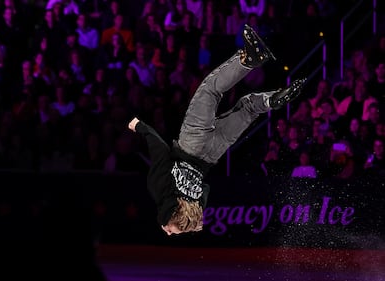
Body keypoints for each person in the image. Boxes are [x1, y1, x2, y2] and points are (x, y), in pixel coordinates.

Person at [128, 24, 306, 235]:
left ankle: (272, 100)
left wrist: (185, 223)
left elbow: (205, 189)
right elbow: (160, 152)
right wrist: (141, 127)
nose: (167, 231)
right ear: (167, 214)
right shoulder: (159, 191)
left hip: (212, 155)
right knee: (210, 90)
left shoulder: (196, 203)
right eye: (170, 230)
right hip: (191, 143)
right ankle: (249, 60)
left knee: (248, 108)